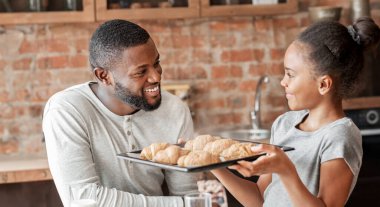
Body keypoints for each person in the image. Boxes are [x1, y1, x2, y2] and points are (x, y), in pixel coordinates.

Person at [211, 17, 380, 207]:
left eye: (290, 74)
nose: (283, 82)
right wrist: (213, 165)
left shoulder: (340, 136)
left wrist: (286, 170)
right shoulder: (284, 124)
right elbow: (259, 198)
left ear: (323, 84)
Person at [42, 19, 199, 206]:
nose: (156, 76)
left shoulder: (175, 109)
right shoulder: (67, 110)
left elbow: (191, 197)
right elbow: (84, 200)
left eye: (156, 63)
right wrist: (178, 204)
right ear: (104, 76)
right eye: (141, 72)